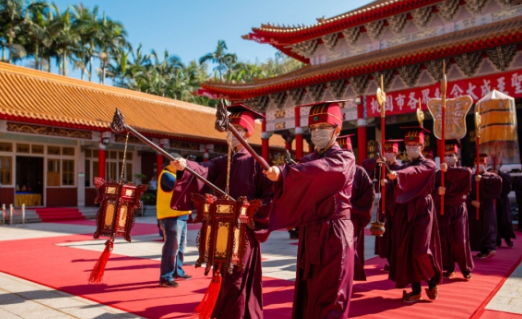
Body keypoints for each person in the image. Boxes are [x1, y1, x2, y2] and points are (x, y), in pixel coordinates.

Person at [171, 104, 272, 319]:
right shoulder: (223, 161)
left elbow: (270, 198)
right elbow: (204, 169)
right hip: (222, 231)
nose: (230, 135)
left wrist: (249, 212)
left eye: (235, 130)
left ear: (246, 133)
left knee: (237, 279)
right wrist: (185, 165)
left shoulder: (257, 164)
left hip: (243, 233)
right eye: (228, 130)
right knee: (225, 277)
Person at [264, 101, 356, 319]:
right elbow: (297, 182)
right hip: (310, 234)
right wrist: (278, 179)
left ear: (337, 130)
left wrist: (286, 173)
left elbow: (317, 173)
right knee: (310, 293)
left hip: (334, 234)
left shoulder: (344, 158)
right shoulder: (307, 160)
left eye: (323, 127)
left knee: (332, 294)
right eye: (313, 129)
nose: (317, 133)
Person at [387, 126, 442, 303]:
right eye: (408, 146)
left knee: (420, 250)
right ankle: (416, 290)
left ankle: (433, 279)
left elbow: (414, 173)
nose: (411, 149)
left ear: (422, 147)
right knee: (409, 251)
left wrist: (399, 174)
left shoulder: (429, 164)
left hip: (423, 211)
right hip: (407, 210)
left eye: (414, 146)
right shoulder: (406, 165)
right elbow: (402, 179)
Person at [433, 140, 473, 280]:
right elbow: (431, 190)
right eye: (446, 155)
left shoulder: (462, 171)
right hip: (443, 209)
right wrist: (438, 192)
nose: (449, 157)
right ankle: (448, 267)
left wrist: (448, 171)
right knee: (445, 240)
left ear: (457, 157)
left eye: (451, 155)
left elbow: (467, 175)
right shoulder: (438, 174)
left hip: (458, 210)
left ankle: (465, 268)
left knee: (459, 240)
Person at [338, 135, 375, 281]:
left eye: (346, 152)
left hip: (352, 218)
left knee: (350, 249)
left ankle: (348, 278)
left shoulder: (359, 172)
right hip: (334, 219)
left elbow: (369, 193)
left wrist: (352, 207)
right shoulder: (330, 171)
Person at [157, 160, 192, 288]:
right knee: (172, 248)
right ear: (170, 163)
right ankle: (166, 277)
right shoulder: (166, 175)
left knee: (181, 247)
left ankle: (178, 271)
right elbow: (180, 187)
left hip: (181, 215)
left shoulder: (175, 174)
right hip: (171, 216)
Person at [375, 139, 403, 272]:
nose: (388, 154)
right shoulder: (382, 167)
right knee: (385, 235)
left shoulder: (400, 168)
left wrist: (388, 183)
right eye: (386, 151)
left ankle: (396, 262)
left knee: (394, 235)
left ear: (396, 154)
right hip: (385, 204)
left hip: (395, 205)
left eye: (391, 152)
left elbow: (401, 186)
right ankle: (390, 261)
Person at [467, 154, 502, 258]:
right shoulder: (469, 177)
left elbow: (498, 181)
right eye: (477, 164)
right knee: (475, 228)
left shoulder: (490, 176)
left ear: (486, 166)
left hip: (486, 207)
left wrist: (482, 180)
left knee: (488, 227)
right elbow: (463, 192)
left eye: (482, 164)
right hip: (473, 207)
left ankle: (489, 248)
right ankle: (481, 250)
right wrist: (471, 202)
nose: (479, 166)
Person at [495, 165, 516, 247]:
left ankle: (508, 238)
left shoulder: (505, 175)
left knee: (505, 220)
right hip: (494, 200)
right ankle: (497, 240)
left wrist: (499, 174)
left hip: (503, 200)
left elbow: (508, 185)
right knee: (495, 220)